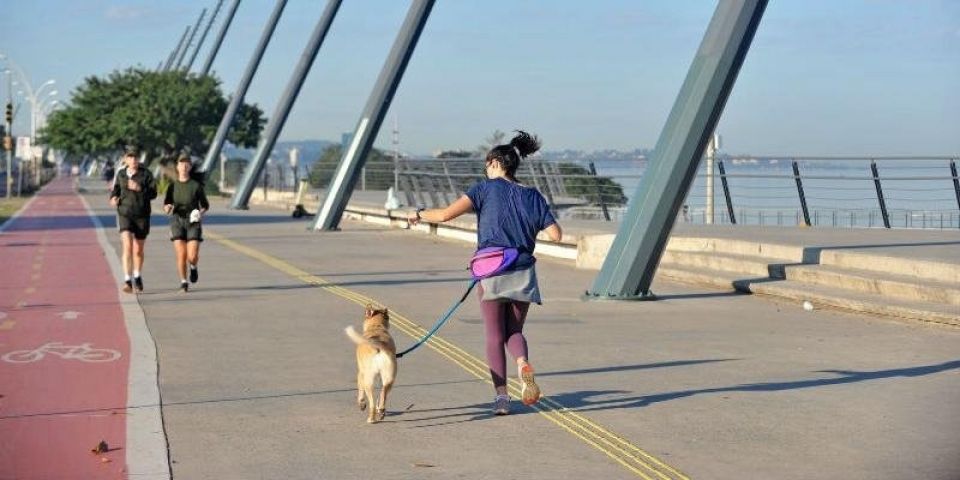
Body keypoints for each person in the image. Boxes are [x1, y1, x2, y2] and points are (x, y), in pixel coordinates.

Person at [408, 130, 562, 415]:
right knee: (514, 331)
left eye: (486, 165)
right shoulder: (533, 196)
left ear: (494, 163)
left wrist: (418, 214)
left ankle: (502, 398)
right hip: (523, 271)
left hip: (492, 269)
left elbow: (444, 215)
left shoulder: (483, 189)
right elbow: (556, 235)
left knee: (494, 335)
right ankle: (522, 363)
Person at [110, 147, 157, 293]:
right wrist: (113, 198)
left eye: (135, 157)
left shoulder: (146, 174)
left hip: (142, 215)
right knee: (127, 246)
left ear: (138, 159)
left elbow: (153, 193)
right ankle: (127, 280)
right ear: (125, 159)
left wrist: (139, 188)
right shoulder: (121, 174)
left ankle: (137, 275)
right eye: (130, 157)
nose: (133, 160)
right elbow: (116, 189)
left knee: (138, 250)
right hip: (125, 214)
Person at [162, 154, 209, 292]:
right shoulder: (172, 186)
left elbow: (205, 205)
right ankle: (183, 282)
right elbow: (167, 203)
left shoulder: (196, 186)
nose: (184, 166)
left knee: (192, 256)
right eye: (181, 164)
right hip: (177, 221)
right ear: (177, 167)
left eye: (187, 164)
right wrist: (167, 208)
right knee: (181, 254)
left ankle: (193, 266)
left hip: (193, 222)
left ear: (190, 167)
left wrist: (199, 213)